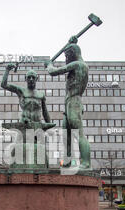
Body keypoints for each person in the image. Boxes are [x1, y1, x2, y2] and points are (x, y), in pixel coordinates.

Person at [45, 39, 90, 169]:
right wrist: (70, 44)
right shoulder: (77, 64)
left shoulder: (78, 65)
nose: (65, 58)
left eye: (66, 55)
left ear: (72, 53)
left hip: (74, 101)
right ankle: (68, 160)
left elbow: (53, 72)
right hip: (69, 103)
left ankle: (86, 163)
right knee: (66, 135)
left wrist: (49, 64)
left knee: (79, 133)